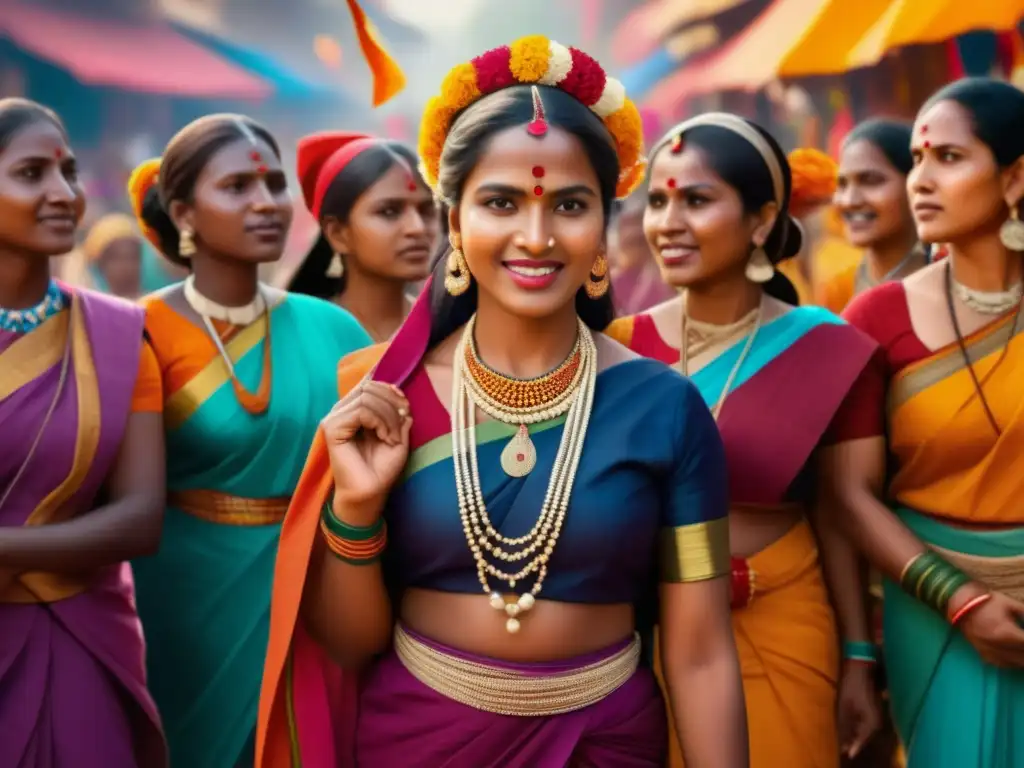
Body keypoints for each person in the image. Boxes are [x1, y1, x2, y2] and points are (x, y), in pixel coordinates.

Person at [257, 36, 747, 768]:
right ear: (454, 224)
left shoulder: (666, 409)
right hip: (418, 738)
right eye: (501, 202)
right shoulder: (382, 398)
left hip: (605, 744)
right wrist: (354, 512)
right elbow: (348, 644)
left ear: (604, 230)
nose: (537, 235)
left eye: (571, 205)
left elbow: (702, 652)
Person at [605, 113, 882, 768]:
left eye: (696, 200)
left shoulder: (829, 348)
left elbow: (839, 513)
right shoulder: (620, 346)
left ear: (760, 222)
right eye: (658, 201)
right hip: (649, 630)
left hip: (785, 619)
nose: (668, 222)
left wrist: (859, 657)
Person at [126, 114, 372, 768]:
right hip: (181, 604)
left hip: (314, 589)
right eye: (237, 186)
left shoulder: (336, 330)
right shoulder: (134, 332)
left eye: (273, 183)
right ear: (185, 212)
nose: (267, 202)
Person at [831, 78, 1024, 768]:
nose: (921, 179)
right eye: (916, 159)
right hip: (934, 604)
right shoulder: (877, 320)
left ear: (1014, 177)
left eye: (948, 157)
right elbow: (847, 493)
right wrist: (962, 601)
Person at [0, 98, 166, 767]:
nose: (64, 193)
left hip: (81, 637)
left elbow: (140, 518)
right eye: (32, 173)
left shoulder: (119, 336)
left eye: (68, 172)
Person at [286, 132, 438, 341]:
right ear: (338, 234)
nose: (417, 228)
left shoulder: (453, 335)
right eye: (389, 211)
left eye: (426, 210)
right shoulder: (295, 336)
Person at [820, 119, 925, 313]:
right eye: (842, 184)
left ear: (916, 184)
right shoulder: (840, 288)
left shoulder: (955, 283)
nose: (850, 201)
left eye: (870, 181)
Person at [63, 212, 144, 298]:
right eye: (116, 258)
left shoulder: (154, 305)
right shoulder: (90, 308)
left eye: (132, 257)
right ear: (100, 265)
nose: (126, 266)